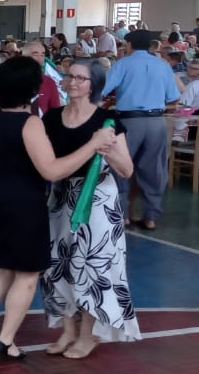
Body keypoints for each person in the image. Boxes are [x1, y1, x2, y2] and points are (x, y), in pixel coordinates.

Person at [0, 57, 116, 361]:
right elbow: (51, 170)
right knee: (26, 274)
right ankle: (6, 341)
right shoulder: (31, 122)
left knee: (1, 267)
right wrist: (93, 144)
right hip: (22, 203)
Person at [37, 59, 140, 357]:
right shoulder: (53, 118)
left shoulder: (107, 122)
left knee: (93, 267)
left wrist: (107, 150)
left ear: (93, 85)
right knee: (59, 264)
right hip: (60, 198)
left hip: (96, 200)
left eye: (81, 78)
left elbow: (127, 170)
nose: (73, 82)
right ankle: (68, 330)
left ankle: (88, 334)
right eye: (70, 76)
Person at [100, 29, 180, 229]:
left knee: (121, 166)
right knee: (154, 169)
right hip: (156, 121)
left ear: (130, 45)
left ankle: (124, 215)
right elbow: (173, 96)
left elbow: (102, 89)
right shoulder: (162, 66)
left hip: (129, 122)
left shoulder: (123, 64)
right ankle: (151, 216)